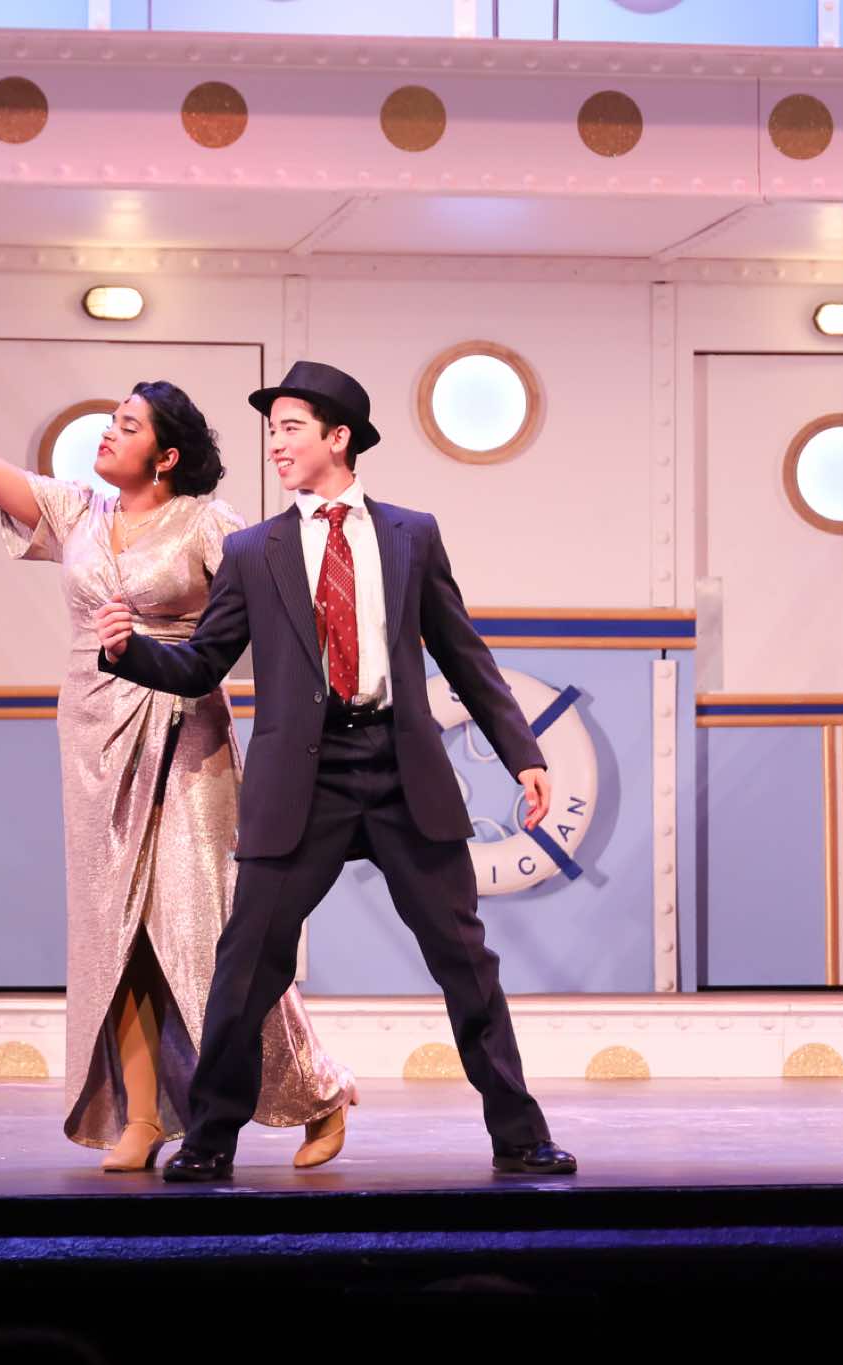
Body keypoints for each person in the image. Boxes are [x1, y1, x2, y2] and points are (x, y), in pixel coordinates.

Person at [0, 304, 353, 1172]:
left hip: (186, 737)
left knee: (209, 931)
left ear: (165, 455)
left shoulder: (208, 522)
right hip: (93, 733)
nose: (108, 431)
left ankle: (315, 1089)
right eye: (111, 419)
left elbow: (268, 623)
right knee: (110, 930)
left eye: (128, 425)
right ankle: (141, 1111)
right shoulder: (75, 511)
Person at [92, 360, 577, 1181]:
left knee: (464, 960)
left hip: (400, 767)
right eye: (272, 430)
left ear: (339, 437)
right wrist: (128, 652)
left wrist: (523, 754)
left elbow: (464, 655)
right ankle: (210, 1140)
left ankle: (520, 1134)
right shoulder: (254, 550)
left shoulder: (411, 534)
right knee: (248, 962)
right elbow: (204, 662)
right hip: (303, 779)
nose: (276, 444)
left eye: (291, 428)